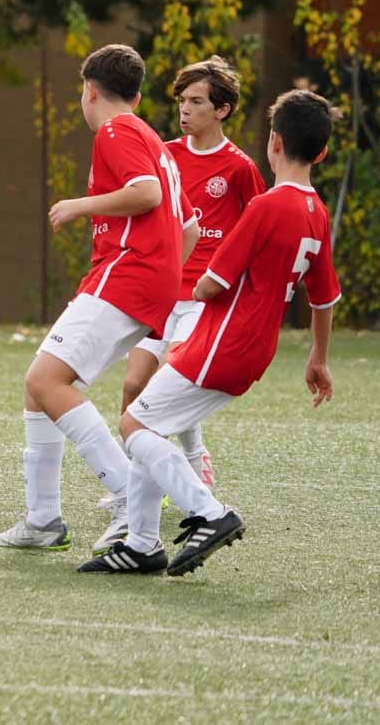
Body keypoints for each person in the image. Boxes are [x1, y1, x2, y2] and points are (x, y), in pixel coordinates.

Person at [80, 89, 339, 576]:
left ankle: (209, 511)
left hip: (225, 340)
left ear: (274, 143)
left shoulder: (265, 207)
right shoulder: (316, 213)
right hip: (254, 348)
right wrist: (318, 358)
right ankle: (140, 544)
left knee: (134, 426)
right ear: (321, 152)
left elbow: (208, 283)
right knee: (145, 419)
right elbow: (323, 298)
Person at [0, 44, 198, 556]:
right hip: (149, 283)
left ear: (89, 90)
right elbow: (187, 225)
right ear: (139, 93)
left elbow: (146, 194)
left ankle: (127, 493)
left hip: (124, 275)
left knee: (43, 378)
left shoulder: (116, 130)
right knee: (42, 389)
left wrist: (80, 206)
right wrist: (166, 272)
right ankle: (42, 519)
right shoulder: (155, 138)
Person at [103, 56, 263, 503]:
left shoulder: (239, 169)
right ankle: (133, 484)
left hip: (204, 299)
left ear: (222, 110)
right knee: (134, 385)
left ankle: (192, 460)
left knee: (172, 374)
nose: (185, 109)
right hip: (161, 292)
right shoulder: (166, 155)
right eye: (182, 101)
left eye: (196, 101)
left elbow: (259, 231)